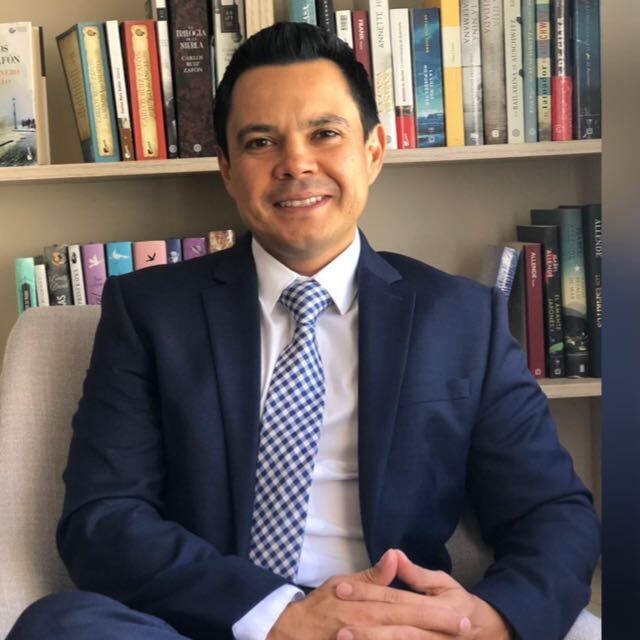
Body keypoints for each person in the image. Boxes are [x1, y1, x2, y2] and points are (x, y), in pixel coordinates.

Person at [7, 21, 599, 640]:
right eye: (261, 141)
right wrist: (279, 616)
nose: (295, 163)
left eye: (325, 134)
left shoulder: (461, 318)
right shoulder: (149, 312)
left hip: (394, 628)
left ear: (372, 153)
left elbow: (552, 512)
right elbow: (103, 518)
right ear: (227, 169)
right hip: (217, 623)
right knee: (59, 626)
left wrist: (490, 619)